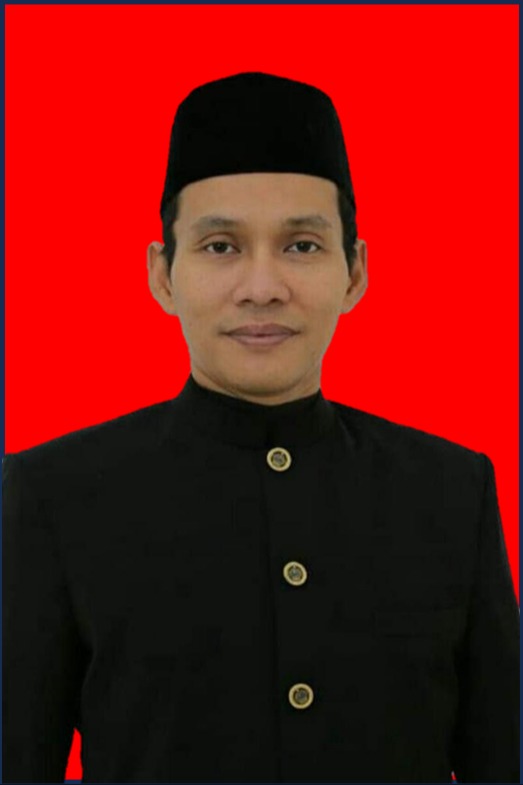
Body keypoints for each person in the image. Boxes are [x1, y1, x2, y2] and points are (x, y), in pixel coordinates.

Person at [2, 71, 519, 784]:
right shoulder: (54, 494)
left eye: (302, 245)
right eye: (221, 246)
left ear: (355, 271)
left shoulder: (452, 491)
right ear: (162, 274)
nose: (262, 287)